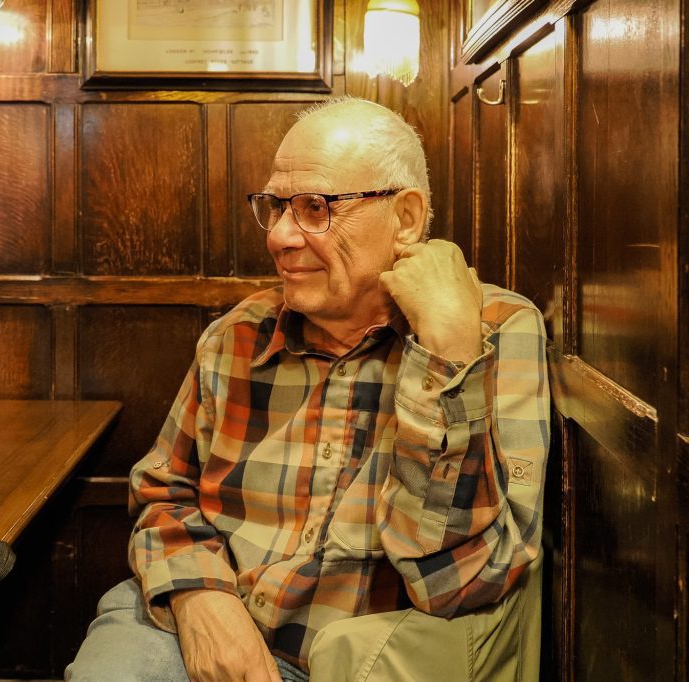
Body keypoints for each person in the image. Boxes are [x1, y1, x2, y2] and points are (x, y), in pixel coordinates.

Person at [67, 97, 549, 682]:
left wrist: (445, 355)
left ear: (405, 219)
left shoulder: (495, 332)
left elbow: (459, 583)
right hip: (189, 625)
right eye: (275, 207)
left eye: (315, 208)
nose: (279, 237)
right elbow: (163, 493)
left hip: (354, 663)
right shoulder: (238, 334)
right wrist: (200, 598)